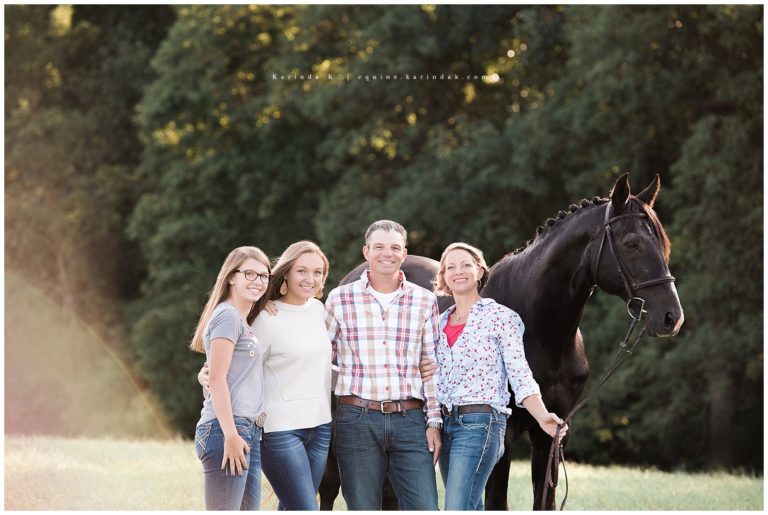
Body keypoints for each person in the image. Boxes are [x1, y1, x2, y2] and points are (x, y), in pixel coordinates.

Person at [426, 242, 567, 510]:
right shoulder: (438, 322)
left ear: (480, 271)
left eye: (466, 265)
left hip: (481, 422)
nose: (459, 271)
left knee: (457, 506)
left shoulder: (500, 318)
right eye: (450, 267)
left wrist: (542, 416)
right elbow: (430, 377)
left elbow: (520, 373)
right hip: (445, 424)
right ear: (443, 276)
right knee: (469, 505)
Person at [199, 241, 333, 510]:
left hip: (316, 425)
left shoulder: (320, 311)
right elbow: (225, 372)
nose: (310, 279)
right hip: (273, 427)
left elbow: (319, 364)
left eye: (318, 272)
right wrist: (207, 376)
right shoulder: (257, 317)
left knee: (294, 505)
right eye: (302, 270)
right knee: (305, 508)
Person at [325, 220, 442, 511]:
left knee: (425, 506)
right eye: (378, 247)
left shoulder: (424, 301)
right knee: (363, 507)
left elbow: (432, 366)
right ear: (366, 251)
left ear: (404, 253)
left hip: (411, 420)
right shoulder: (339, 300)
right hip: (356, 418)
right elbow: (318, 357)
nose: (386, 253)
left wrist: (434, 422)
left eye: (394, 248)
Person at [191, 246, 271, 511]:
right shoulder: (227, 315)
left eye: (263, 276)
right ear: (231, 277)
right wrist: (230, 435)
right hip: (227, 429)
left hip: (247, 429)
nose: (257, 281)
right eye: (249, 273)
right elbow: (216, 378)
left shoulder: (241, 319)